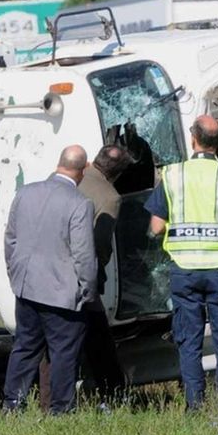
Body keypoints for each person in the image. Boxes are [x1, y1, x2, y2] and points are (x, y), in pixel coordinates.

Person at [145, 115, 218, 411]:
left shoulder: (172, 175)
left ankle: (195, 407)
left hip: (184, 270)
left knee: (189, 342)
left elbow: (156, 227)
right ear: (217, 142)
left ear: (192, 139)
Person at [1, 145, 97, 414]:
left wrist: (15, 274)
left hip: (27, 286)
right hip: (62, 293)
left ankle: (12, 404)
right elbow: (83, 254)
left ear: (59, 163)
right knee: (63, 353)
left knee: (25, 347)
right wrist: (87, 290)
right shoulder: (80, 203)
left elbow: (10, 239)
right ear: (82, 170)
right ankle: (60, 409)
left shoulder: (26, 192)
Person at [77, 144, 131, 398]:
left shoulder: (74, 178)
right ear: (119, 173)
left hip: (50, 275)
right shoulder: (110, 196)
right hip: (83, 276)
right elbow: (100, 243)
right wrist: (100, 274)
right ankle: (113, 393)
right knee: (99, 337)